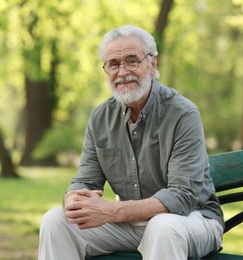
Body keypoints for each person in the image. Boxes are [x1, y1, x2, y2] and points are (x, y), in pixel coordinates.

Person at [38, 25, 224, 260]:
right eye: (113, 64)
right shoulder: (100, 118)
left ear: (152, 64)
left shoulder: (182, 114)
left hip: (192, 220)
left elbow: (182, 196)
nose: (122, 71)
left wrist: (111, 211)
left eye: (132, 60)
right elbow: (85, 180)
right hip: (128, 224)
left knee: (163, 227)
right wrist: (74, 200)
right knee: (55, 221)